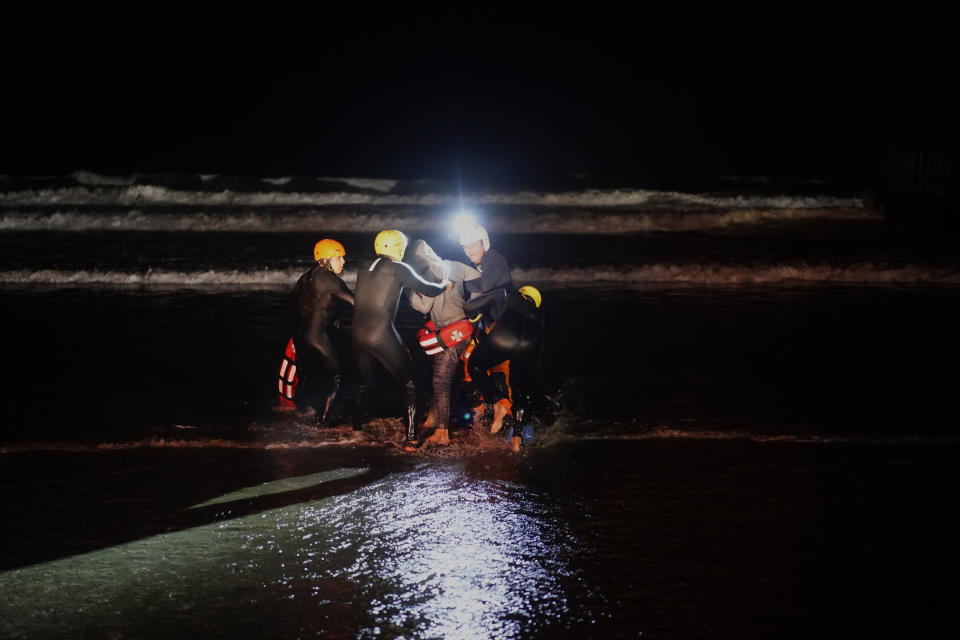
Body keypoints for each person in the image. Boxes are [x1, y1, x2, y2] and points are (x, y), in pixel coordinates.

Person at [352, 230, 451, 441]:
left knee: (365, 383)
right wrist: (445, 284)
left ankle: (356, 430)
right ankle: (412, 439)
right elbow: (429, 289)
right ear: (398, 247)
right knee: (409, 383)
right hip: (381, 335)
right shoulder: (399, 268)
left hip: (357, 336)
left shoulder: (364, 265)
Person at [406, 239, 480, 446]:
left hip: (450, 334)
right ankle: (434, 418)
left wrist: (409, 291)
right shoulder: (453, 265)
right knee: (443, 376)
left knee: (440, 381)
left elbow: (423, 306)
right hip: (463, 328)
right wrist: (473, 304)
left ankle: (442, 433)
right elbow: (478, 278)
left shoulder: (428, 274)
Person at [462, 285, 544, 452]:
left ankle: (498, 400)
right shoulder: (537, 317)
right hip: (530, 342)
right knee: (520, 390)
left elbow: (469, 305)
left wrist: (474, 314)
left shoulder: (506, 295)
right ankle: (517, 439)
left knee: (475, 366)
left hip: (505, 337)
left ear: (522, 293)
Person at [290, 238, 355, 424]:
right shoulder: (330, 279)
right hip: (318, 337)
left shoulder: (305, 277)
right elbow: (354, 303)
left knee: (309, 377)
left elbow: (292, 302)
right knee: (337, 377)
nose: (343, 262)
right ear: (326, 259)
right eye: (339, 258)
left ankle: (301, 414)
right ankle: (322, 422)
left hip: (300, 336)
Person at [458, 224, 514, 432]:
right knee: (469, 364)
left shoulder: (494, 259)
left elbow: (482, 289)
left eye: (473, 245)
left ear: (484, 243)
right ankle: (481, 412)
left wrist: (460, 281)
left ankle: (513, 421)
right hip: (487, 324)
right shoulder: (478, 264)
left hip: (504, 326)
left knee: (500, 370)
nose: (469, 251)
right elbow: (476, 298)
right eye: (465, 247)